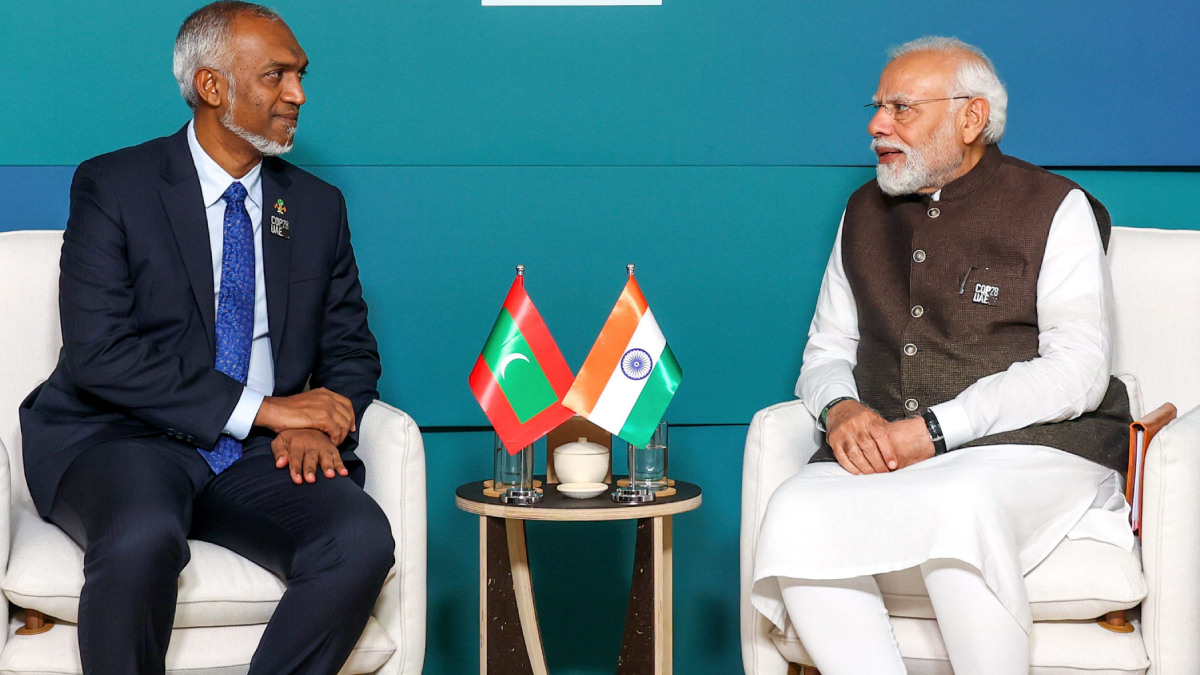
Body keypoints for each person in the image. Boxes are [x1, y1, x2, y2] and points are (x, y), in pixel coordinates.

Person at [18, 2, 394, 673]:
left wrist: (320, 423)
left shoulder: (315, 206)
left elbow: (350, 349)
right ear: (212, 86)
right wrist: (269, 409)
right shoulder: (114, 185)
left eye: (300, 75)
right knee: (141, 535)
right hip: (123, 436)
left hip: (254, 455)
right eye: (276, 75)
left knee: (359, 537)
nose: (298, 94)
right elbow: (101, 353)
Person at [751, 36, 1133, 674]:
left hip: (1037, 445)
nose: (877, 125)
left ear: (971, 118)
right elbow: (827, 348)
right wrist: (840, 409)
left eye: (901, 108)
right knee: (794, 509)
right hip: (892, 449)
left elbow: (1079, 370)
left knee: (958, 500)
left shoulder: (1055, 207)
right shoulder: (861, 212)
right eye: (878, 108)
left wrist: (934, 431)